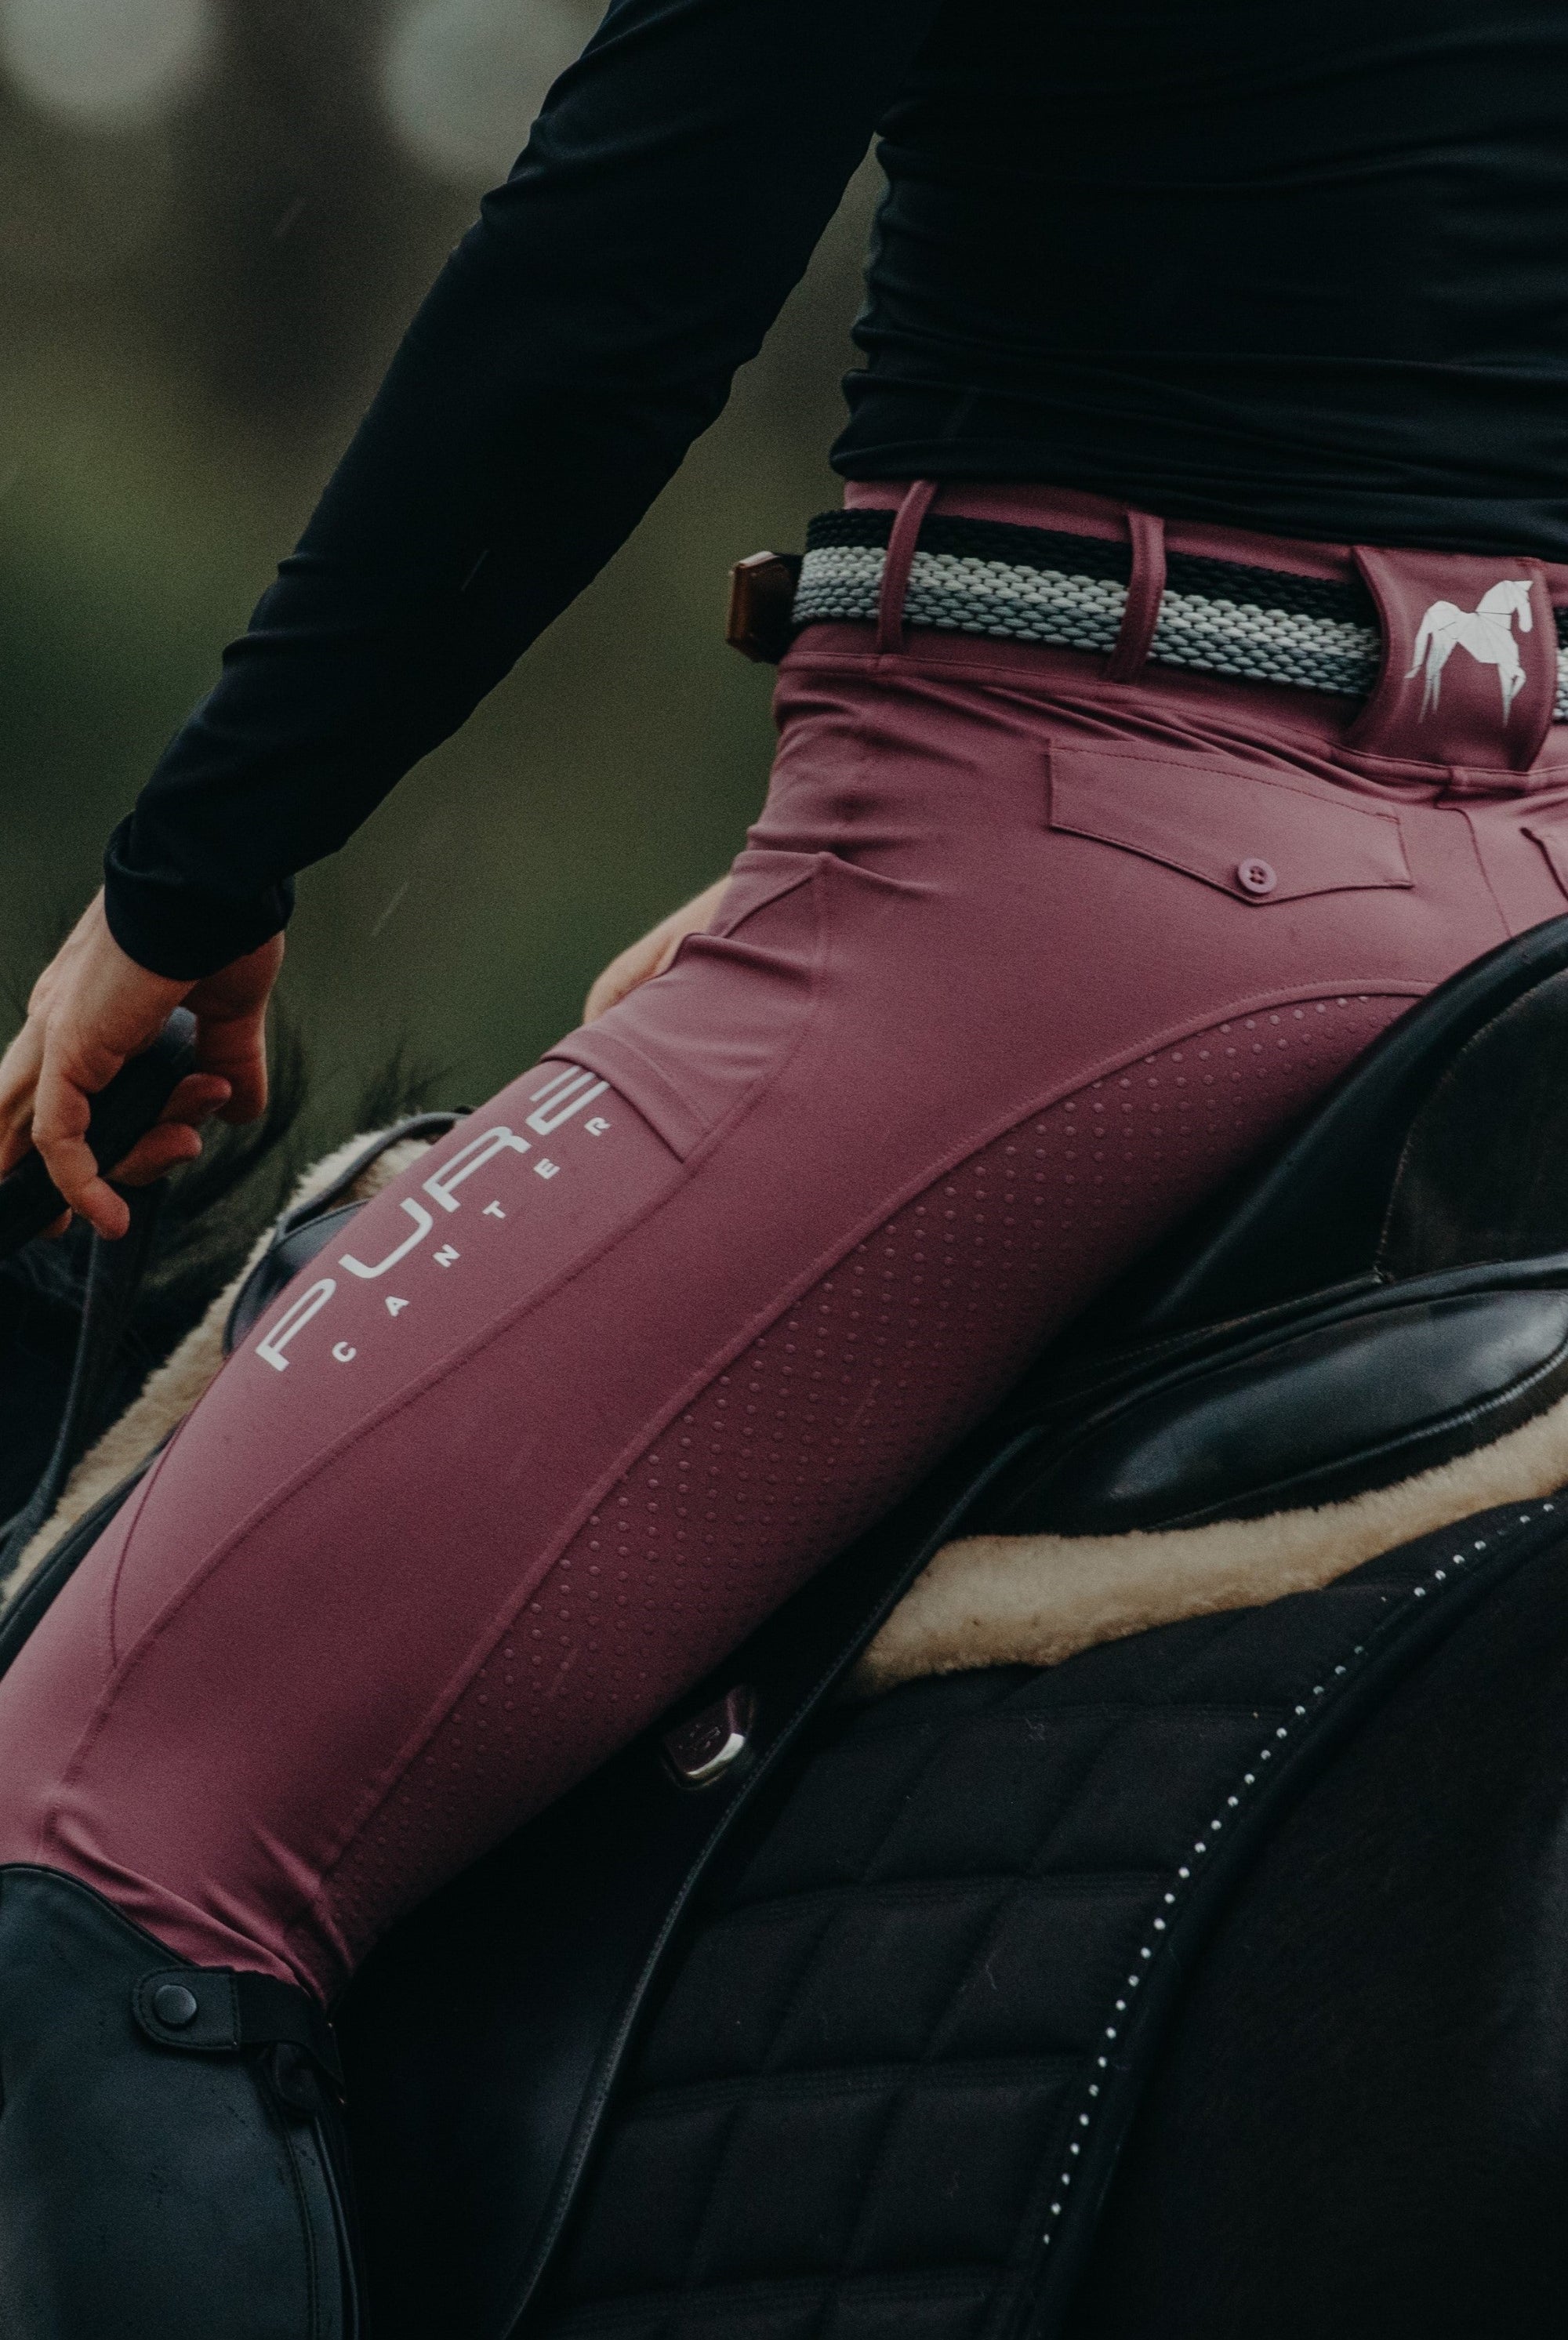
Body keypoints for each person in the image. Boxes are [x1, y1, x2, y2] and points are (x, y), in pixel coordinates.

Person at [5, 0, 1568, 2328]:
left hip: (1068, 881)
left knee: (88, 1840)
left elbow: (627, 263)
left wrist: (196, 869)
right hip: (1521, 894)